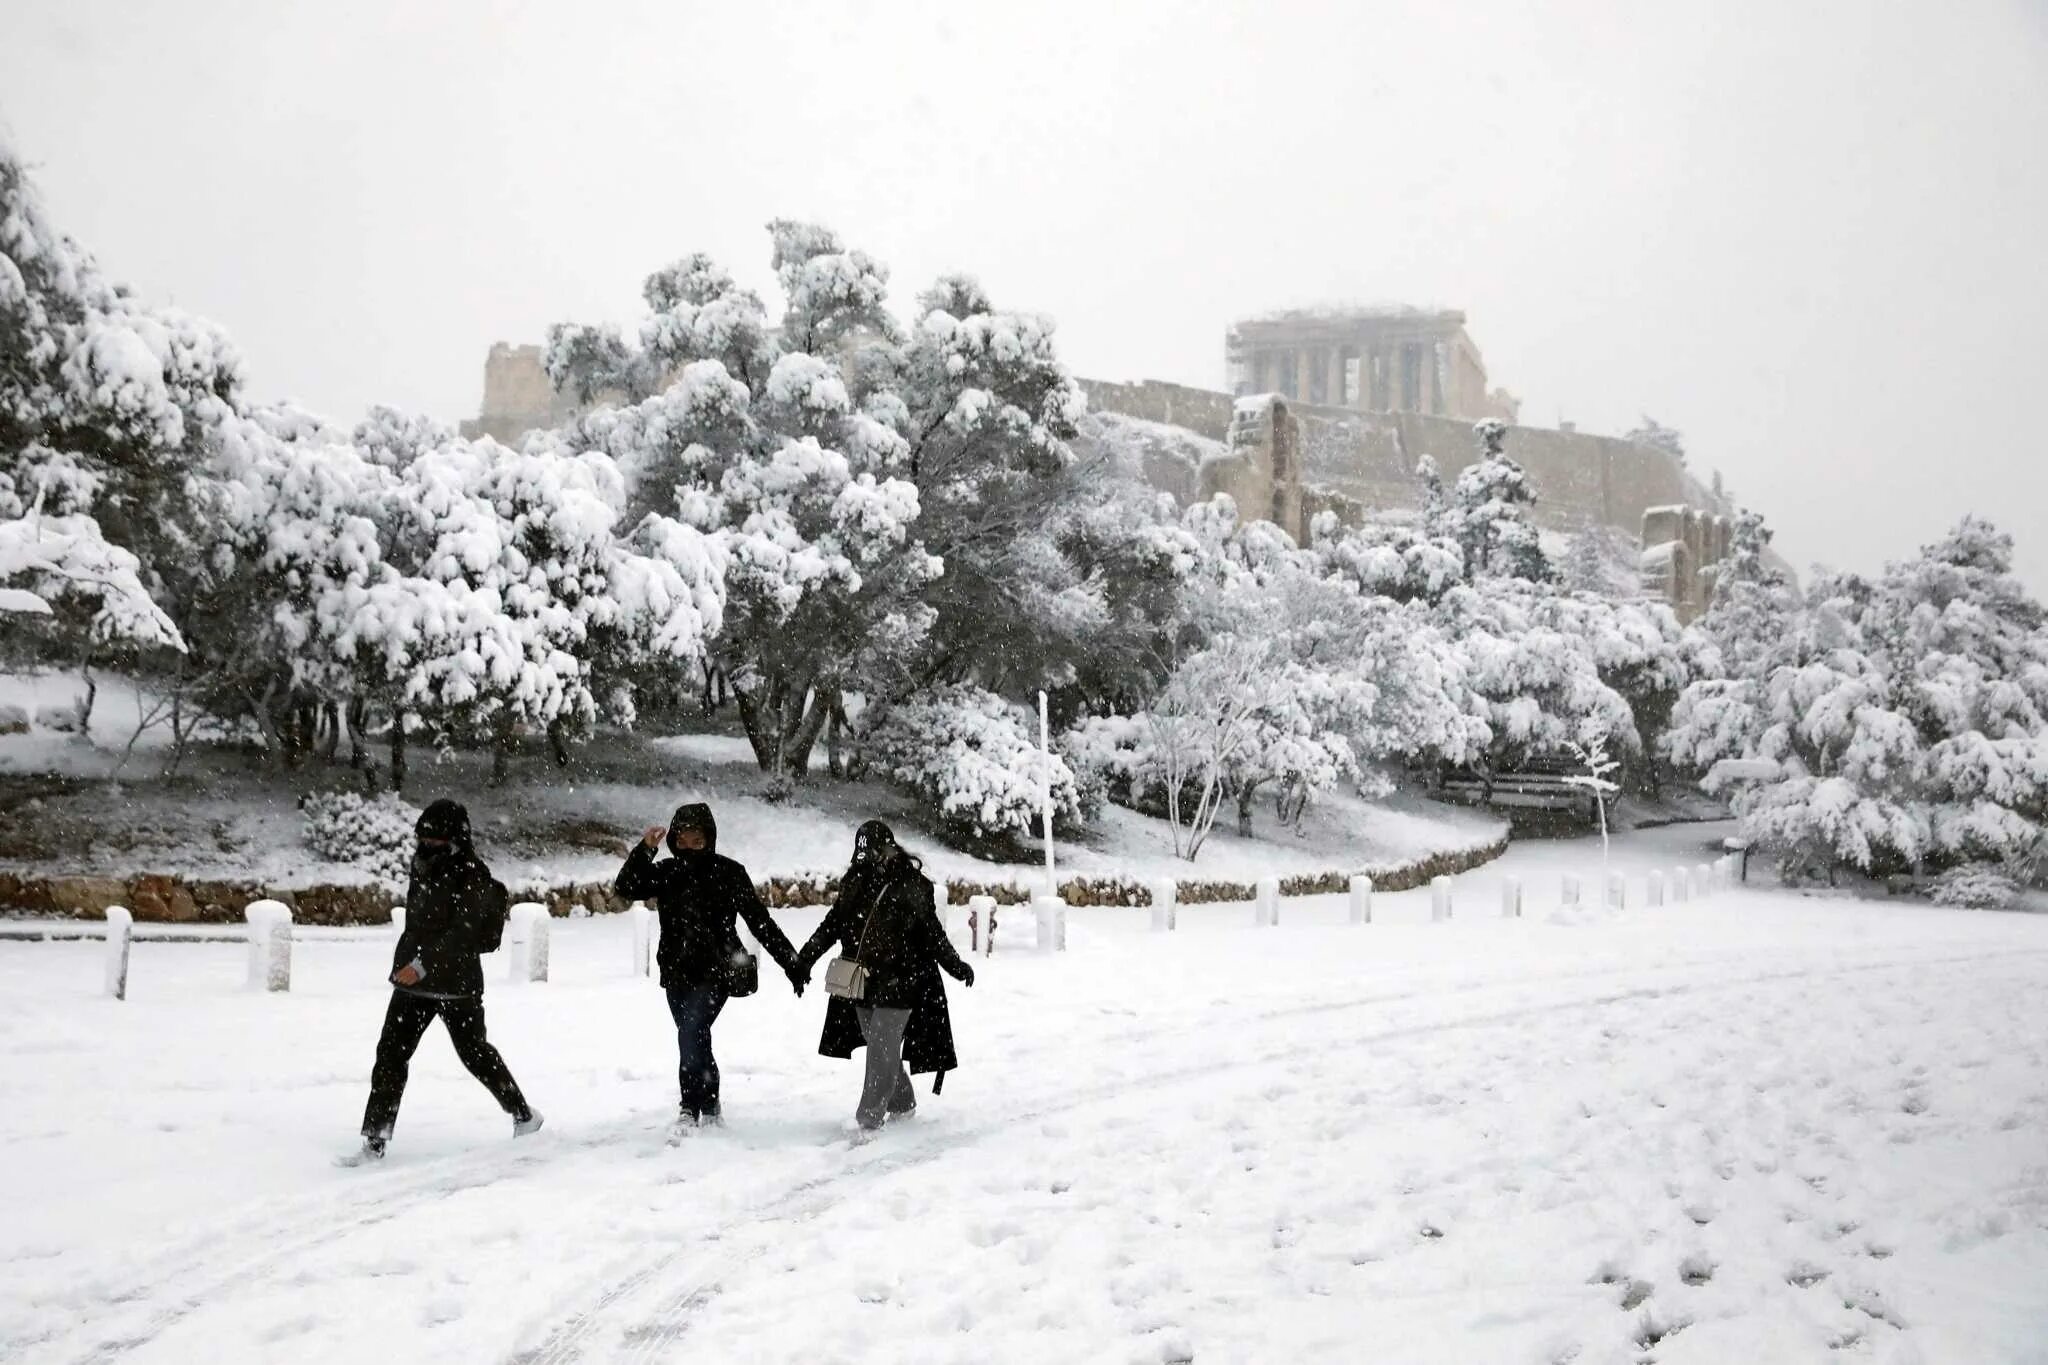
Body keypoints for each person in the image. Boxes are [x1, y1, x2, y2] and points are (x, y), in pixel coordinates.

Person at [341, 799, 541, 1166]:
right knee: (390, 1055)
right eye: (423, 837)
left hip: (456, 984)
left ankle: (524, 1114)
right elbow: (421, 923)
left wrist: (420, 965)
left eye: (435, 838)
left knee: (474, 1054)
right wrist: (409, 964)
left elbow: (462, 934)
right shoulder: (422, 866)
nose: (427, 844)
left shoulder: (472, 873)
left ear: (456, 838)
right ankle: (375, 1141)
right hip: (414, 984)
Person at [615, 802, 807, 1137]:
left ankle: (690, 1107)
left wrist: (791, 961)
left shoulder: (729, 872)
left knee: (691, 1033)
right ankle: (711, 1103)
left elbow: (760, 923)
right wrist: (644, 850)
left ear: (710, 839)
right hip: (676, 971)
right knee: (695, 1039)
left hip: (718, 970)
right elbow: (627, 887)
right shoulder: (667, 872)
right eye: (683, 840)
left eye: (697, 841)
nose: (689, 847)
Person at [796, 820, 974, 1135]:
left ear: (887, 847)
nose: (865, 857)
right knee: (880, 1044)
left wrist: (956, 965)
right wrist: (804, 959)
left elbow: (932, 934)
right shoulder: (854, 880)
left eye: (872, 850)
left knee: (880, 1042)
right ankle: (902, 1102)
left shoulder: (912, 885)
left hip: (904, 979)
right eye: (861, 850)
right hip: (864, 979)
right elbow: (833, 923)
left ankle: (869, 1119)